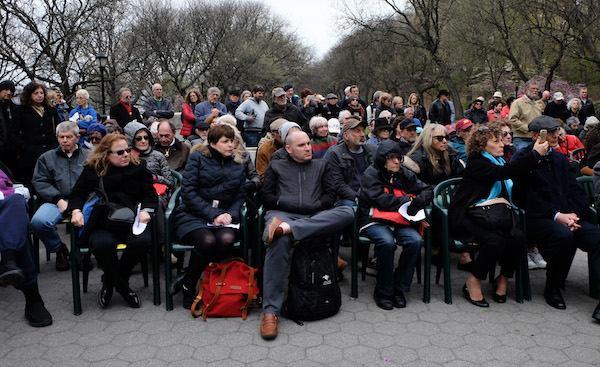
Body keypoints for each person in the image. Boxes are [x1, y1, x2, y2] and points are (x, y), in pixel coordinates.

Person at [259, 130, 354, 340]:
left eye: (308, 144)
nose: (308, 148)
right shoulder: (276, 166)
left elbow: (330, 196)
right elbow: (266, 196)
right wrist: (291, 206)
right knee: (278, 239)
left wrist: (313, 207)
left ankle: (292, 228)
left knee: (347, 212)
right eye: (301, 145)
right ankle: (270, 312)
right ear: (289, 149)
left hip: (313, 215)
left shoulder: (322, 165)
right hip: (282, 215)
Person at [511, 115, 600, 320]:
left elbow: (578, 192)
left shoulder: (560, 158)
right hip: (537, 218)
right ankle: (553, 287)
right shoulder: (523, 159)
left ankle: (597, 291)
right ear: (535, 135)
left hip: (569, 217)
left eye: (557, 131)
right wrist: (557, 215)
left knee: (596, 236)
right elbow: (524, 198)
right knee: (563, 236)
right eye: (551, 132)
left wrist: (573, 216)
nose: (556, 135)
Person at [449, 125, 549, 307]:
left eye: (501, 140)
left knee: (518, 237)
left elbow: (513, 183)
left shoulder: (500, 161)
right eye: (496, 141)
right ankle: (474, 281)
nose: (502, 144)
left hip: (495, 216)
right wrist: (534, 155)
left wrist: (531, 167)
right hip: (469, 216)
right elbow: (501, 174)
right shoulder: (477, 162)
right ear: (481, 146)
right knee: (495, 241)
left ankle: (502, 278)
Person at [67, 133, 158, 309]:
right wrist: (76, 211)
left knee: (143, 241)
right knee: (102, 244)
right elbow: (77, 193)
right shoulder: (93, 169)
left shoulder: (138, 167)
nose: (126, 154)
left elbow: (150, 194)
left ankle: (110, 281)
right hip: (103, 220)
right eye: (120, 152)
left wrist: (147, 210)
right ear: (106, 154)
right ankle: (125, 289)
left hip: (131, 219)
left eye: (128, 150)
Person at [168, 123, 246, 309]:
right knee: (207, 241)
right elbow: (188, 193)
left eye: (232, 141)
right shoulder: (197, 158)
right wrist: (213, 214)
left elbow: (239, 196)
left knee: (226, 239)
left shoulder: (237, 165)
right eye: (225, 141)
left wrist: (230, 214)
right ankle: (189, 286)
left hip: (223, 217)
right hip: (194, 214)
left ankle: (190, 275)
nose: (231, 145)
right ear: (212, 143)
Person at [357, 140, 433, 310]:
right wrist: (408, 199)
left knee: (415, 241)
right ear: (382, 159)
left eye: (398, 158)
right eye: (391, 158)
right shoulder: (371, 174)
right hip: (373, 219)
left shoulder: (402, 173)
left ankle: (399, 288)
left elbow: (427, 189)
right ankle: (383, 291)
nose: (397, 161)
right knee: (387, 242)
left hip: (399, 219)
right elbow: (379, 200)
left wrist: (420, 199)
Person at [0, 161, 53, 327]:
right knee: (15, 234)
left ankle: (9, 261)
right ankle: (33, 298)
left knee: (16, 202)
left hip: (6, 210)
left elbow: (15, 188)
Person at [30, 121, 88, 271]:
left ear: (77, 137)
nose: (64, 140)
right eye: (61, 137)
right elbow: (40, 181)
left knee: (94, 217)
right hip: (56, 200)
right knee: (38, 222)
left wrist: (80, 204)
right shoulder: (46, 158)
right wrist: (57, 199)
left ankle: (82, 253)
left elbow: (97, 181)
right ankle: (59, 249)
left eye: (68, 137)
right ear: (56, 138)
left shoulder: (90, 156)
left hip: (84, 200)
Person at [8, 81, 60, 188]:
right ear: (29, 95)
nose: (40, 95)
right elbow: (12, 133)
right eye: (36, 93)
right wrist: (25, 147)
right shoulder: (20, 111)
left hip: (50, 153)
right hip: (29, 156)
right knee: (31, 185)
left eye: (41, 93)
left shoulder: (51, 111)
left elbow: (59, 129)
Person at [325, 118, 376, 206]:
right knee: (351, 209)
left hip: (371, 193)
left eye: (363, 131)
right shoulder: (335, 154)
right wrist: (357, 197)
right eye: (357, 131)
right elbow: (338, 184)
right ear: (346, 136)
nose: (363, 134)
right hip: (349, 196)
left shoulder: (373, 150)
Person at [508, 80, 542, 151]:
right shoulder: (517, 103)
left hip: (534, 139)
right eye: (533, 88)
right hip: (522, 139)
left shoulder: (537, 104)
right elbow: (512, 120)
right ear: (526, 89)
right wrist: (527, 128)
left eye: (537, 89)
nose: (535, 90)